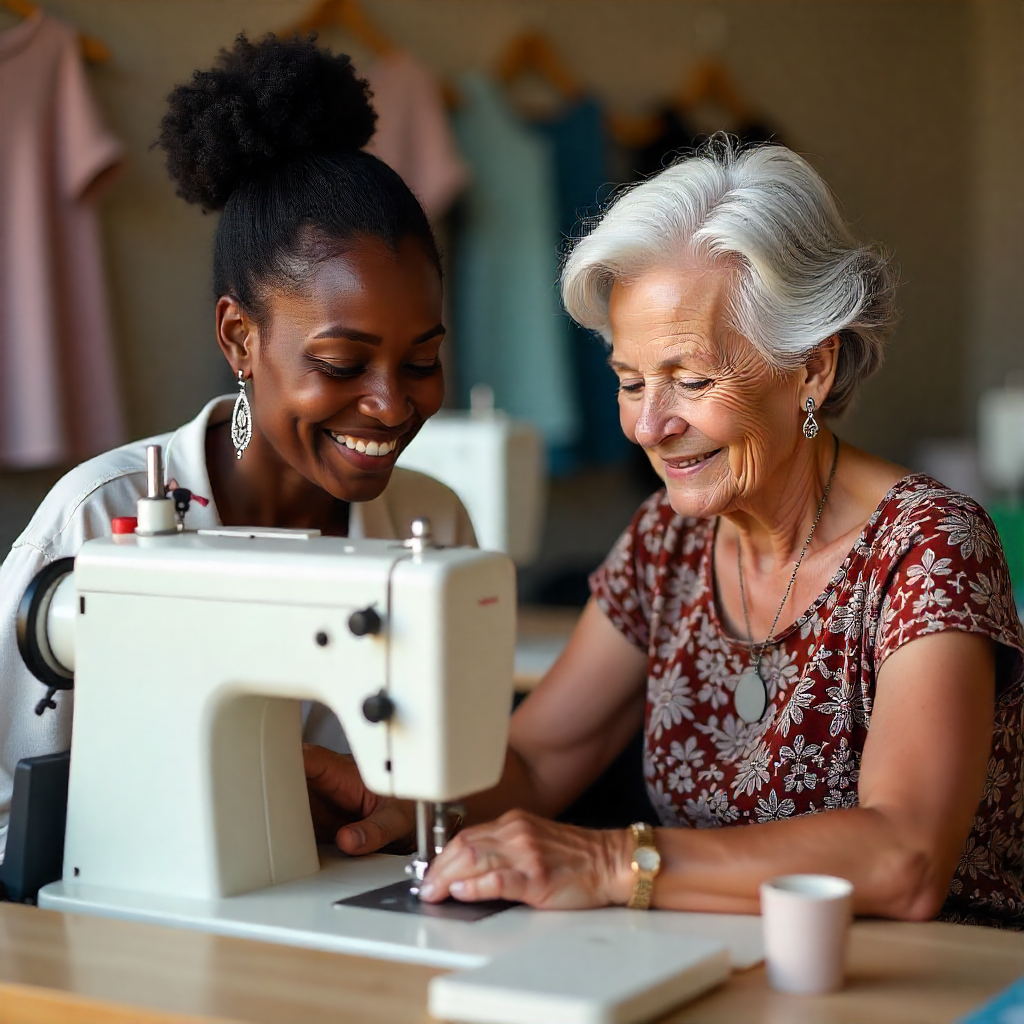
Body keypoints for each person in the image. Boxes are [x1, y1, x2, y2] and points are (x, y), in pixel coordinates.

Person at [304, 139, 1024, 929]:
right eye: (629, 380)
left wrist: (614, 861)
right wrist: (391, 795)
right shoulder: (668, 543)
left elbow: (904, 858)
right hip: (721, 970)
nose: (650, 424)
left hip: (928, 989)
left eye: (691, 380)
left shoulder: (929, 546)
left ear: (811, 370)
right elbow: (537, 762)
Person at [0, 35, 475, 858]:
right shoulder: (94, 524)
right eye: (340, 363)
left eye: (424, 361)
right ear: (239, 338)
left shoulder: (432, 520)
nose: (392, 403)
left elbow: (457, 794)